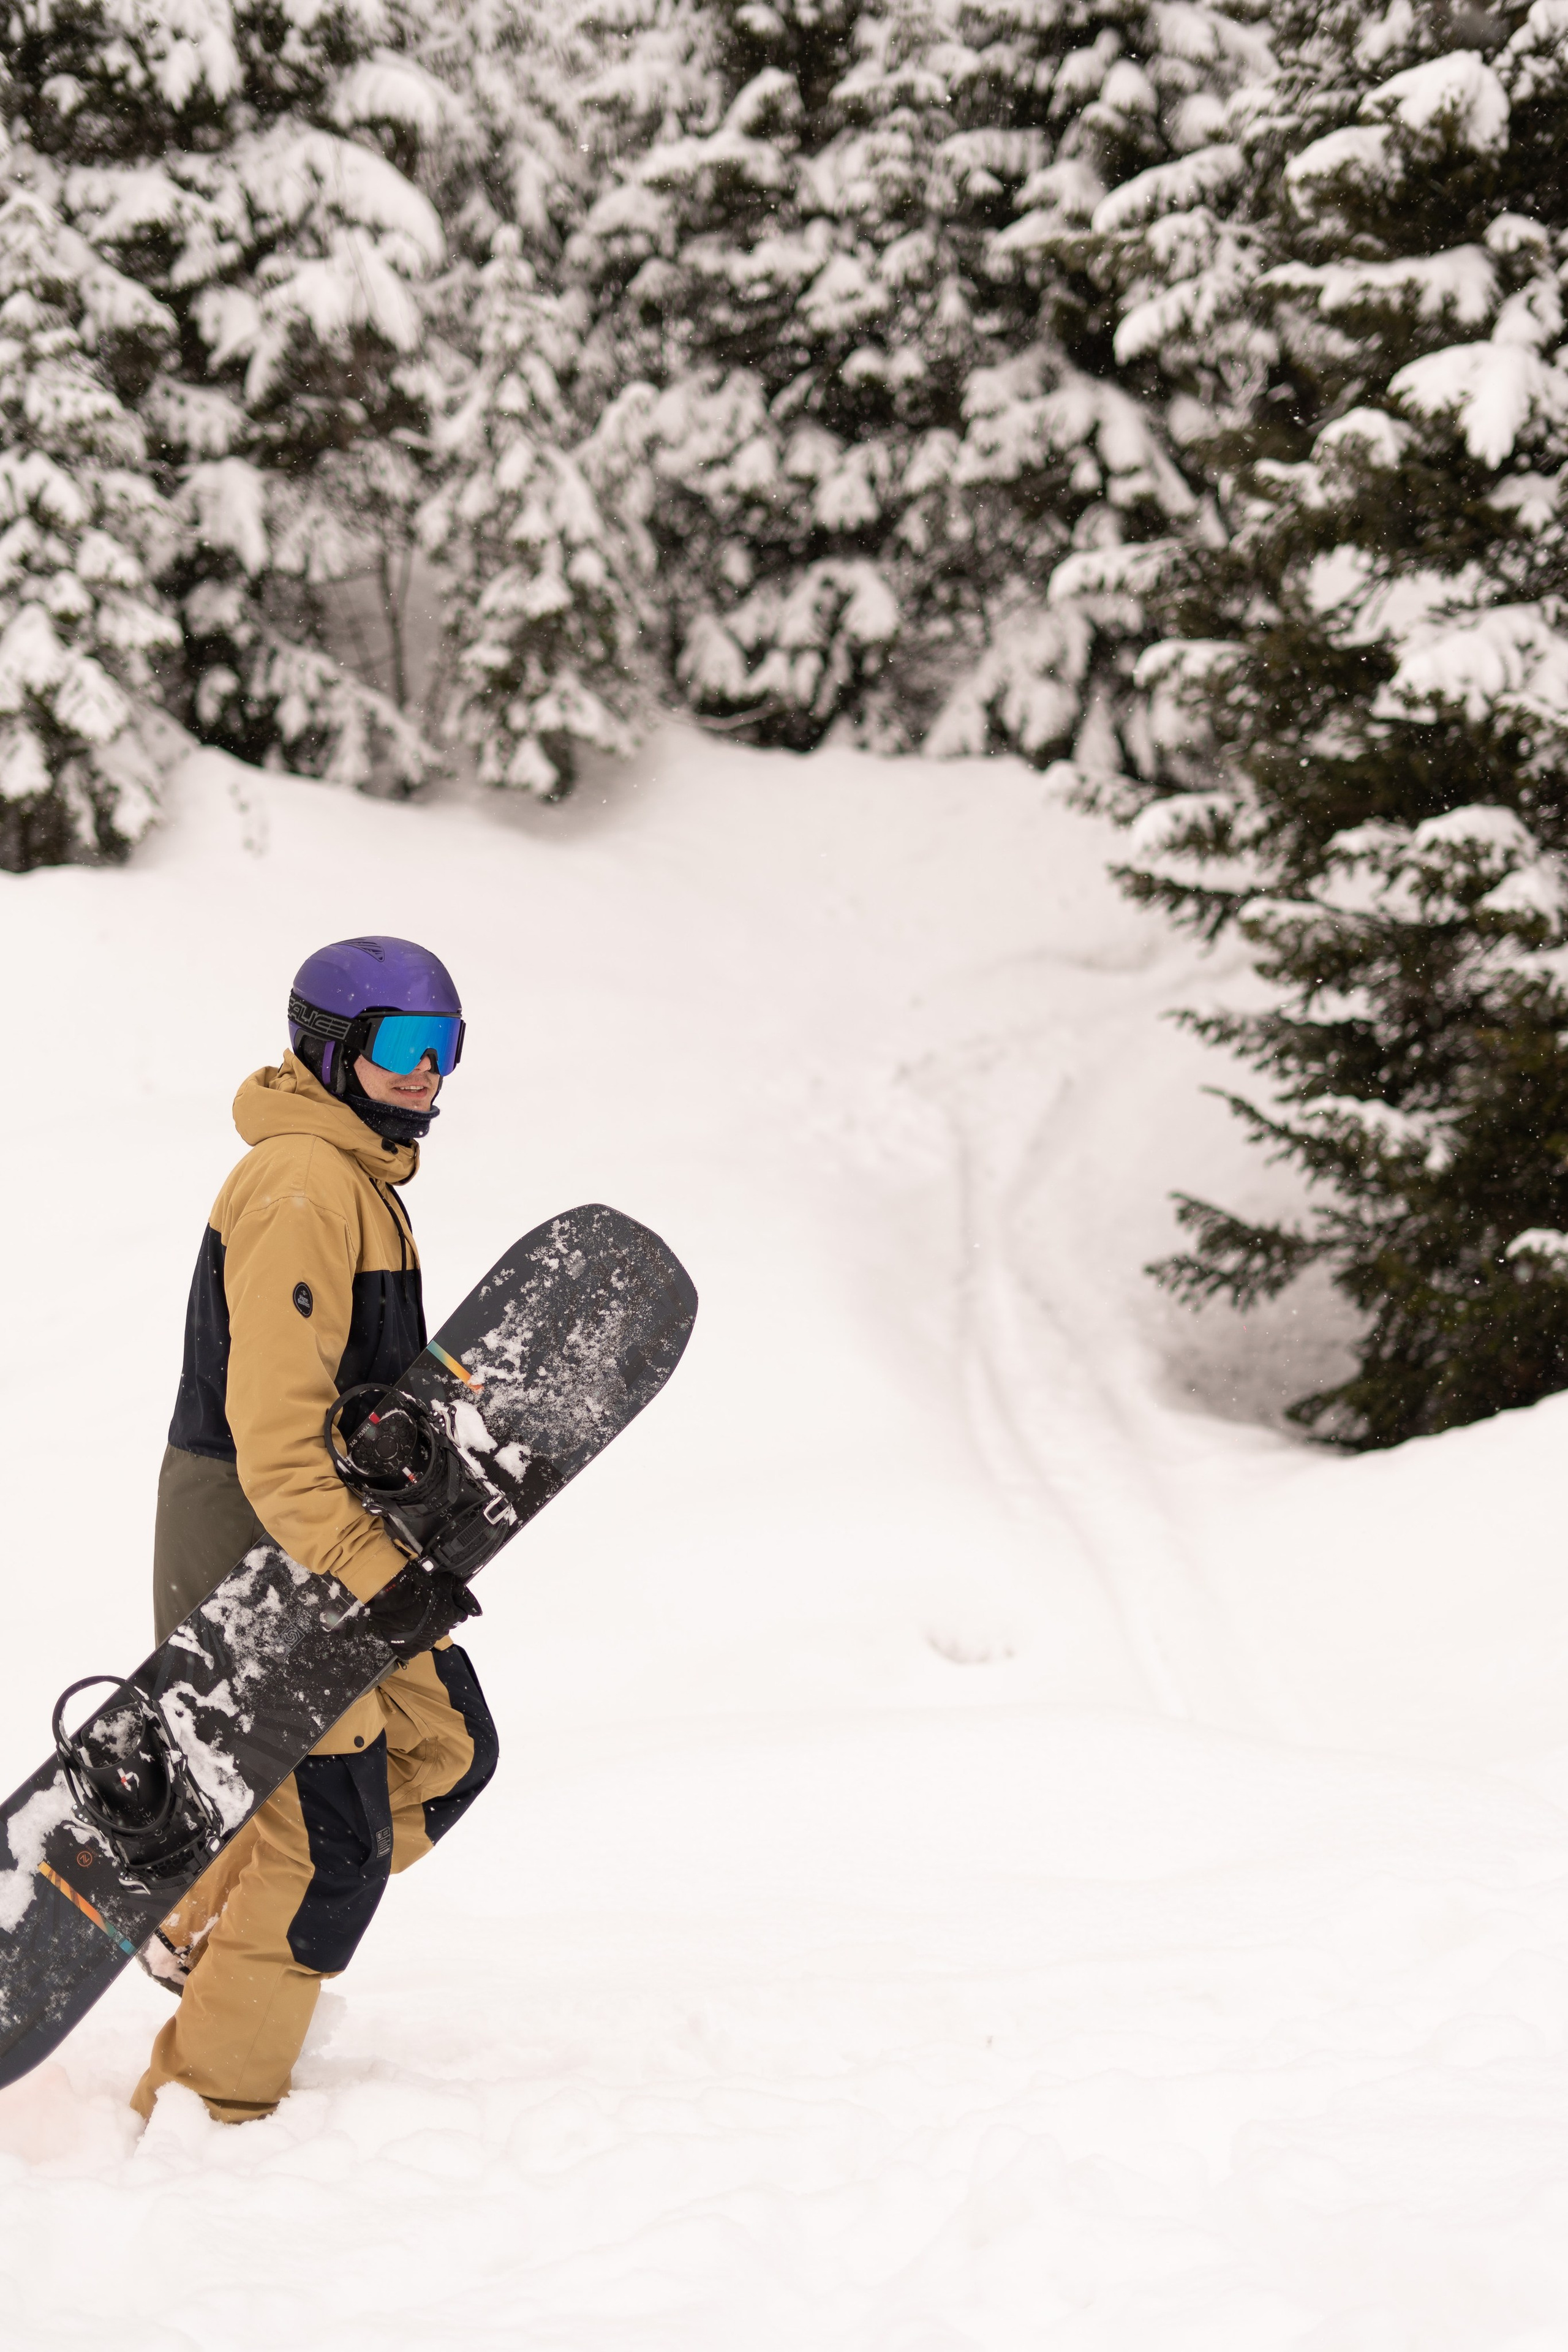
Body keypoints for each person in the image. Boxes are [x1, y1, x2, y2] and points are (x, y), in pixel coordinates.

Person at [130, 937, 497, 2127]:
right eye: (403, 1046)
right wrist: (374, 1573)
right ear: (330, 1049)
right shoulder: (302, 1182)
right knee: (330, 1846)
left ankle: (198, 1928)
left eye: (445, 1048)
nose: (428, 1072)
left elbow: (332, 1392)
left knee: (445, 1752)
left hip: (327, 1537)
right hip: (265, 1544)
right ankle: (207, 2108)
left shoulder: (356, 1179)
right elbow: (274, 1434)